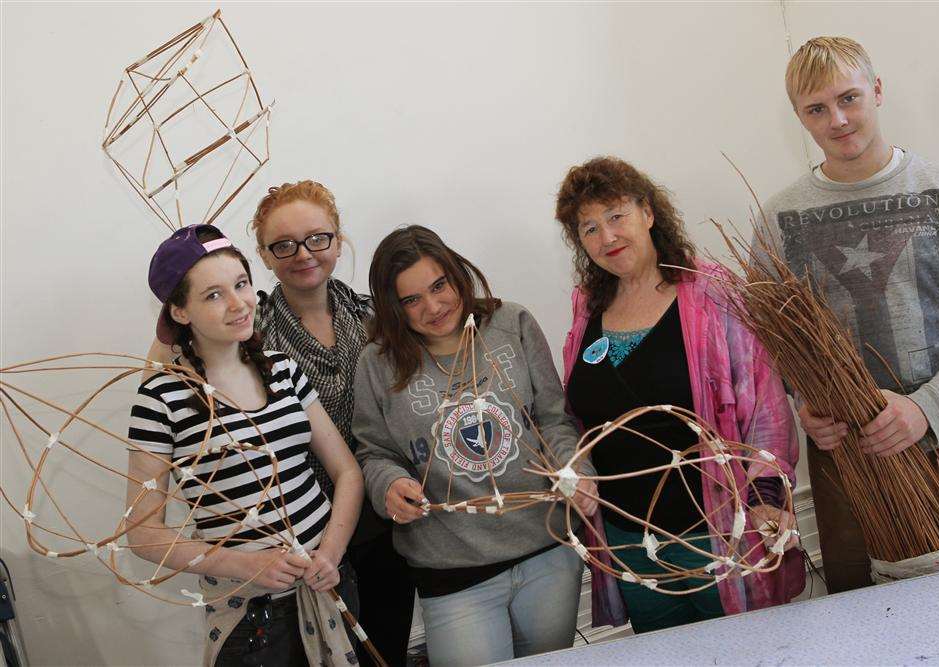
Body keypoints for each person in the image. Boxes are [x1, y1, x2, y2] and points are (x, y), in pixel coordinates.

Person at [760, 36, 939, 592]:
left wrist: (925, 408)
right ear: (800, 117)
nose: (838, 119)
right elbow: (773, 345)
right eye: (816, 109)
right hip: (846, 463)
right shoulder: (779, 219)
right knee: (866, 625)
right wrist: (804, 403)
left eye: (849, 98)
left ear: (878, 91)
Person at [554, 156, 805, 633]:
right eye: (588, 228)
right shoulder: (587, 308)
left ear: (648, 212)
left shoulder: (713, 293)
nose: (606, 237)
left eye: (616, 216)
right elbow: (577, 418)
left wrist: (766, 498)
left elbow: (767, 412)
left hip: (719, 536)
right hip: (632, 542)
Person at [352, 225, 596, 667]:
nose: (433, 306)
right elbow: (373, 452)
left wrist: (575, 470)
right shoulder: (377, 362)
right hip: (452, 569)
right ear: (393, 308)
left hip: (548, 550)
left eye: (439, 285)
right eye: (411, 300)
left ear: (456, 274)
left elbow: (553, 419)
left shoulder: (512, 324)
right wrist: (388, 484)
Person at [127, 224, 364, 666]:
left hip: (330, 583)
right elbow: (143, 535)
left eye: (241, 284)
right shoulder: (162, 398)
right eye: (213, 295)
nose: (239, 304)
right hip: (252, 614)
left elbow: (347, 472)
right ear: (180, 312)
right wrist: (245, 565)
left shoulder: (282, 369)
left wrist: (331, 552)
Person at [250, 181, 415, 666]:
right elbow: (176, 368)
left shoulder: (375, 317)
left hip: (383, 518)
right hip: (305, 531)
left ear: (338, 241)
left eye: (317, 238)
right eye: (284, 244)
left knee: (387, 647)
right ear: (264, 255)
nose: (303, 254)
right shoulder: (252, 333)